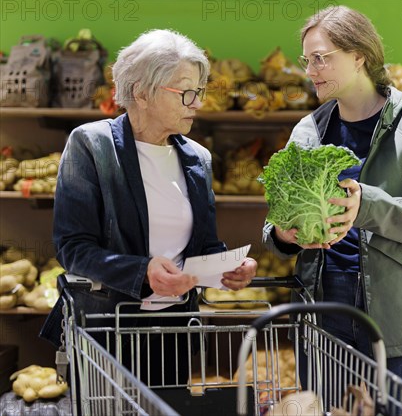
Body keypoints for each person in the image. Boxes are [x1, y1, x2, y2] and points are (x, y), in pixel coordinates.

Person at [40, 29, 257, 385]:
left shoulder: (197, 158)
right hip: (106, 334)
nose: (197, 103)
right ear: (141, 91)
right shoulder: (92, 145)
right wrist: (142, 273)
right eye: (186, 92)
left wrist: (228, 267)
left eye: (199, 92)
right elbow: (73, 248)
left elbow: (203, 246)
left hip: (174, 333)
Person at [262, 6, 402, 397]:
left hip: (399, 313)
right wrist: (283, 235)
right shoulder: (309, 129)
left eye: (321, 58)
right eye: (307, 60)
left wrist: (366, 204)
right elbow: (276, 220)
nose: (310, 70)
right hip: (322, 311)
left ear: (358, 56)